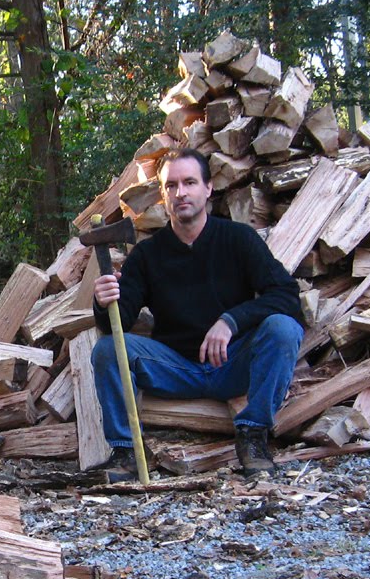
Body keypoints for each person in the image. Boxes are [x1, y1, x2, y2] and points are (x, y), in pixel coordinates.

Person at [91, 147, 304, 477]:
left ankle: (252, 436)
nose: (181, 192)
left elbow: (288, 297)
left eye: (189, 182)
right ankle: (126, 452)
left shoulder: (239, 240)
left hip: (231, 364)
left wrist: (231, 321)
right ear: (163, 195)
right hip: (174, 368)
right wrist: (103, 301)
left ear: (208, 189)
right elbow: (114, 327)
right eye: (171, 186)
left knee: (283, 329)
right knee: (107, 350)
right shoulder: (148, 255)